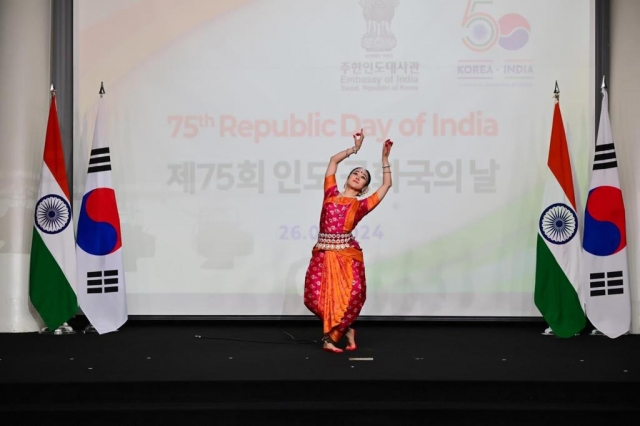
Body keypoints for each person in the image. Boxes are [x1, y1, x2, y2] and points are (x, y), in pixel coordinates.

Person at [303, 129, 393, 353]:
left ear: (363, 188)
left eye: (363, 177)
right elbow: (333, 161)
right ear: (347, 178)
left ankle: (331, 338)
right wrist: (354, 149)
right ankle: (346, 329)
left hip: (346, 255)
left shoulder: (361, 205)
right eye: (356, 173)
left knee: (350, 296)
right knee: (314, 297)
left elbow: (386, 186)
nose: (358, 176)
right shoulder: (330, 193)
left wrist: (384, 159)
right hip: (323, 252)